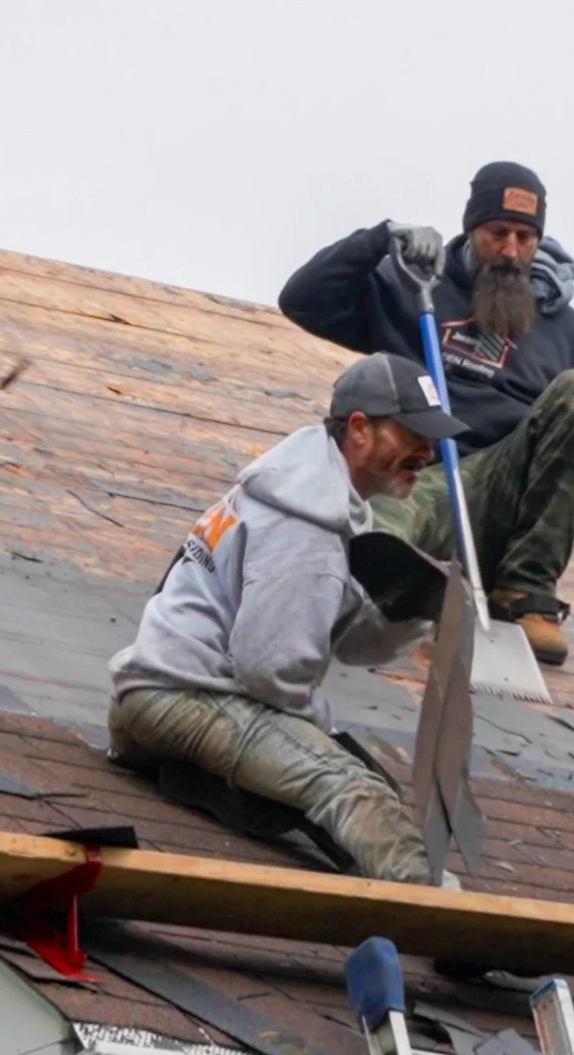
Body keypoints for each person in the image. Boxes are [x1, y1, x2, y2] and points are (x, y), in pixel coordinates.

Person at [107, 353, 467, 884]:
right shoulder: (307, 527)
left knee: (366, 788)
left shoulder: (310, 484)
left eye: (431, 438)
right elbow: (268, 670)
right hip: (180, 702)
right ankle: (445, 918)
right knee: (354, 790)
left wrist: (412, 613)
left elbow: (339, 641)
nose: (427, 452)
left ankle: (218, 784)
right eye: (413, 433)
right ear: (361, 429)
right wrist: (326, 732)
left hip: (152, 699)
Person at [279, 162, 574, 665]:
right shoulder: (415, 286)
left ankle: (525, 595)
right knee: (375, 527)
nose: (512, 250)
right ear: (472, 230)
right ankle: (359, 603)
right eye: (498, 233)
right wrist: (381, 240)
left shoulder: (568, 331)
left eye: (525, 237)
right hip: (421, 477)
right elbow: (304, 300)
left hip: (505, 496)